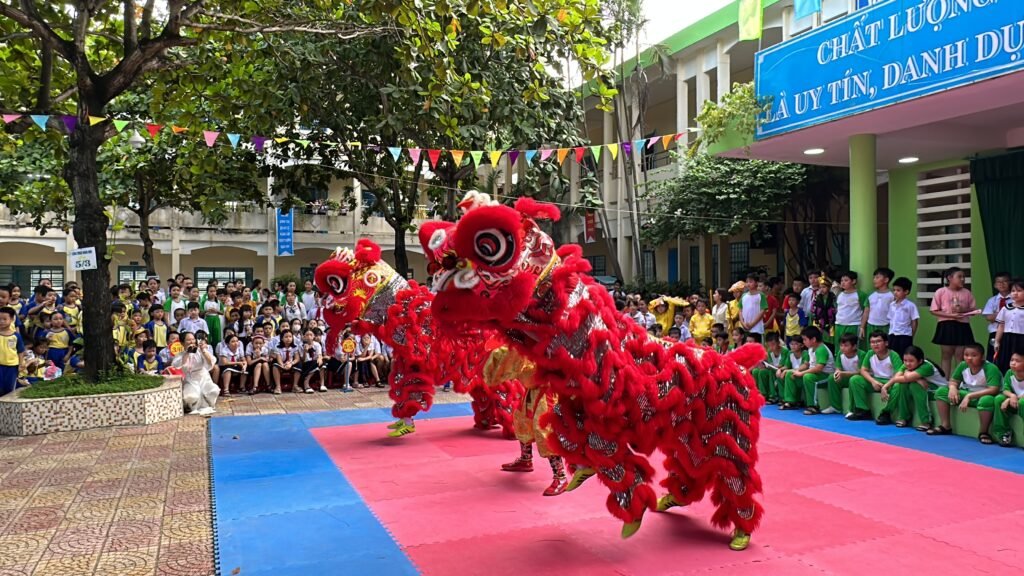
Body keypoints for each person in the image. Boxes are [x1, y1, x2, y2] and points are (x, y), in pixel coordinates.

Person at [928, 342, 1000, 442]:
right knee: (942, 391)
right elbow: (953, 381)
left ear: (982, 357)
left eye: (974, 355)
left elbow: (994, 389)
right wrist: (953, 389)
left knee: (987, 400)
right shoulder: (963, 365)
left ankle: (984, 432)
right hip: (966, 394)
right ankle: (945, 425)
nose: (969, 358)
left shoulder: (991, 368)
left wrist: (969, 396)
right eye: (966, 355)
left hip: (983, 395)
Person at [930, 266, 978, 378]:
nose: (962, 279)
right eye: (959, 276)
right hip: (946, 325)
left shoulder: (967, 292)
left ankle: (958, 381)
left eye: (963, 277)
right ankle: (945, 380)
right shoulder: (941, 291)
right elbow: (934, 310)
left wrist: (962, 310)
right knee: (946, 355)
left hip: (962, 326)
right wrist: (950, 315)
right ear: (949, 278)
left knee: (960, 355)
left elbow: (974, 309)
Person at [847, 332, 904, 423]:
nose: (875, 344)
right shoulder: (870, 353)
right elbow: (863, 370)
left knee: (899, 386)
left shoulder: (893, 355)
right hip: (876, 381)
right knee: (855, 379)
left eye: (878, 341)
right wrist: (873, 381)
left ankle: (886, 413)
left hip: (890, 382)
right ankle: (863, 410)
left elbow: (898, 375)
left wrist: (885, 386)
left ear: (886, 343)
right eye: (872, 342)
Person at [172, 332, 220, 415]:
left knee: (213, 391)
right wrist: (187, 353)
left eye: (193, 339)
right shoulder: (181, 355)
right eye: (188, 340)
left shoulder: (200, 351)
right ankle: (190, 406)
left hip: (203, 376)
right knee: (191, 396)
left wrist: (203, 351)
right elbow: (178, 366)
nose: (191, 342)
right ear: (182, 343)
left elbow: (210, 363)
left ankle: (210, 405)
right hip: (190, 379)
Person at [992, 351, 1024, 447]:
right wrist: (1012, 396)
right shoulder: (1010, 373)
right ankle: (1003, 433)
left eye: (1017, 361)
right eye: (1012, 360)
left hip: (1021, 402)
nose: (1013, 363)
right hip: (1015, 402)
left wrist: (1010, 399)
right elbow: (1005, 389)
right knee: (998, 399)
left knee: (1023, 402)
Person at [993, 278, 1024, 374]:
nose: (1015, 293)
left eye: (1019, 291)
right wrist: (997, 341)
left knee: (1020, 361)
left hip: (1021, 339)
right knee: (1006, 360)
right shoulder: (1006, 308)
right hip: (1007, 339)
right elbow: (1001, 326)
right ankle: (1007, 383)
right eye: (1013, 291)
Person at [827, 333, 864, 415]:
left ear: (854, 346)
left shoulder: (861, 354)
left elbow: (861, 372)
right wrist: (838, 374)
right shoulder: (840, 354)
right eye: (841, 345)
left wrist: (843, 373)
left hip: (858, 379)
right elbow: (838, 368)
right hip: (845, 377)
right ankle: (835, 407)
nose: (842, 348)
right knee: (831, 378)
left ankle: (852, 409)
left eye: (846, 345)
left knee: (854, 380)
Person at [860, 268, 894, 350]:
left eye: (877, 277)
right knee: (871, 350)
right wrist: (862, 327)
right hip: (871, 326)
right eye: (874, 277)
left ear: (886, 280)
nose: (874, 280)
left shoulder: (892, 295)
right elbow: (866, 312)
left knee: (885, 350)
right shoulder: (871, 295)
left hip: (886, 326)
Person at [833, 271, 867, 352]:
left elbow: (865, 310)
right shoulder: (839, 294)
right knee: (840, 349)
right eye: (842, 281)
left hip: (853, 325)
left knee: (853, 348)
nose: (843, 283)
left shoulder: (860, 295)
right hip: (839, 325)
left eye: (846, 280)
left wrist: (862, 326)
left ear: (854, 281)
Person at [983, 272, 1012, 363]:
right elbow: (988, 317)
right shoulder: (992, 300)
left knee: (1009, 357)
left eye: (1005, 281)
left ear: (1010, 283)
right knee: (994, 358)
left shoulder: (1016, 299)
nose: (1002, 284)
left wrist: (996, 314)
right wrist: (1006, 313)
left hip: (1010, 332)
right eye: (999, 282)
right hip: (994, 332)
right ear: (995, 285)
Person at [887, 277, 919, 357]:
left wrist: (911, 335)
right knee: (892, 356)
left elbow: (914, 322)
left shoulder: (910, 305)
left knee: (903, 356)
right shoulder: (892, 305)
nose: (895, 292)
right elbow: (891, 320)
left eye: (898, 290)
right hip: (892, 334)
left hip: (904, 335)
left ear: (906, 291)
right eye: (894, 290)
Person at [753, 332, 786, 404]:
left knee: (771, 372)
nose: (771, 347)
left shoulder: (784, 351)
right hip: (773, 369)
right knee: (761, 371)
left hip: (781, 370)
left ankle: (775, 396)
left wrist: (770, 366)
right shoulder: (769, 352)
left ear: (778, 343)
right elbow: (770, 363)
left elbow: (782, 365)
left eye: (773, 344)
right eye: (769, 345)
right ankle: (763, 395)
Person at [777, 335, 809, 409]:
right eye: (791, 344)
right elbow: (786, 366)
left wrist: (790, 370)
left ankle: (790, 402)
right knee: (780, 374)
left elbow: (805, 366)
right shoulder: (790, 353)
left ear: (802, 345)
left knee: (788, 373)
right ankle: (783, 398)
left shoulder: (805, 353)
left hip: (802, 375)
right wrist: (780, 369)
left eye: (796, 344)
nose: (793, 346)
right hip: (794, 375)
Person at [0, 307, 25, 396]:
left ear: (11, 319)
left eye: (4, 319)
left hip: (12, 366)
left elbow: (21, 351)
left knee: (9, 389)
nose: (1, 321)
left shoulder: (16, 336)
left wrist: (21, 363)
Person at [272, 329, 302, 393]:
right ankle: (278, 387)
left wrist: (291, 363)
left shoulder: (295, 347)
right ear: (282, 338)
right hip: (281, 364)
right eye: (286, 337)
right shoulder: (278, 347)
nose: (288, 338)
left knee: (299, 364)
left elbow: (297, 358)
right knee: (275, 366)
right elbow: (278, 359)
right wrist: (283, 365)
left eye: (290, 336)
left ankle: (295, 386)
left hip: (291, 364)